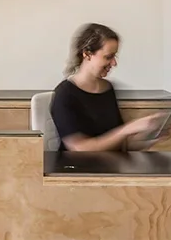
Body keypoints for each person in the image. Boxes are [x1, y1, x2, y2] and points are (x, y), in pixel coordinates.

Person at [50, 23, 162, 152]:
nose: (114, 63)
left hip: (109, 166)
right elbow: (80, 149)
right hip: (78, 169)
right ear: (87, 54)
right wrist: (128, 129)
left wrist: (151, 136)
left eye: (114, 56)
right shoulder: (65, 94)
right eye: (108, 57)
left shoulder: (108, 88)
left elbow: (120, 143)